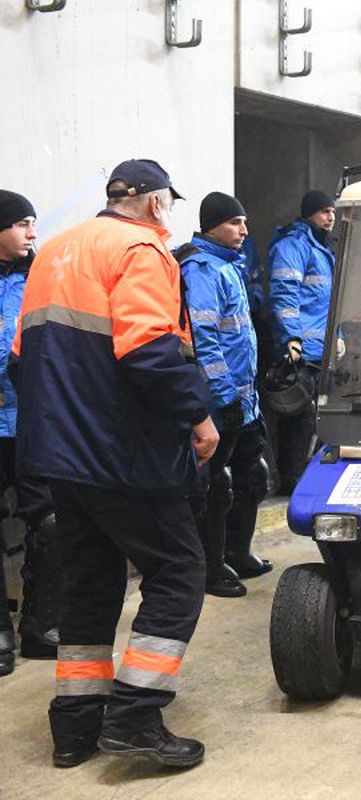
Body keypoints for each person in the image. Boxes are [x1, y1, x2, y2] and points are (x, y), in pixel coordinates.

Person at [12, 159, 216, 768]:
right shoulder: (140, 249)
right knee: (179, 569)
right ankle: (134, 715)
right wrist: (197, 417)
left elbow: (23, 358)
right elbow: (150, 350)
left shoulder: (55, 251)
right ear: (155, 204)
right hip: (121, 451)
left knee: (91, 583)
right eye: (170, 205)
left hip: (60, 457)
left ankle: (74, 728)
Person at [177, 192, 272, 600]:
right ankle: (210, 570)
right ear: (212, 224)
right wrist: (223, 394)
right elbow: (205, 341)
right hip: (221, 400)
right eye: (236, 222)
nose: (244, 231)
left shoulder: (229, 265)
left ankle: (237, 552)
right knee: (216, 486)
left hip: (244, 398)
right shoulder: (200, 270)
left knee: (253, 473)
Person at [0, 190, 60, 677]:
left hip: (35, 423)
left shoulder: (44, 279)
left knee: (51, 524)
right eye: (22, 223)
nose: (32, 233)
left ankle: (39, 626)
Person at [268, 189, 336, 493]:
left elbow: (327, 304)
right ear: (308, 214)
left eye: (332, 211)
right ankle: (291, 480)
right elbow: (285, 295)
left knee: (318, 419)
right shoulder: (293, 247)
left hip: (321, 351)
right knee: (298, 418)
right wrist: (291, 338)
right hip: (302, 353)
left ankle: (307, 478)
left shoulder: (324, 250)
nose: (330, 217)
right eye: (323, 212)